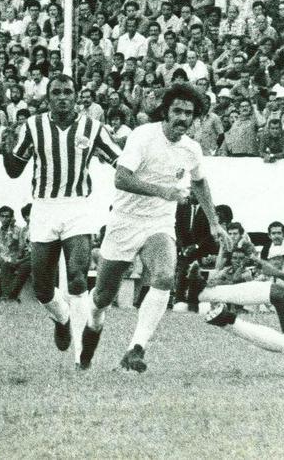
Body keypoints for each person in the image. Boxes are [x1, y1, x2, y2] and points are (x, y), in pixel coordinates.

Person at [80, 82, 223, 373]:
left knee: (164, 276)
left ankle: (135, 349)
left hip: (159, 223)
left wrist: (214, 221)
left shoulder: (191, 149)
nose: (182, 118)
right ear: (166, 111)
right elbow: (121, 178)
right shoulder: (143, 136)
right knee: (102, 297)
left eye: (189, 113)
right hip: (124, 221)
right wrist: (164, 191)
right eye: (177, 111)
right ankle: (92, 328)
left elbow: (198, 182)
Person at [2, 73, 121, 361]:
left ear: (76, 95)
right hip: (44, 206)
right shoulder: (33, 125)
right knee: (43, 286)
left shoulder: (93, 128)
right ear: (48, 97)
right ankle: (62, 318)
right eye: (56, 92)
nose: (63, 97)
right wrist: (6, 144)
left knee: (78, 278)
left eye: (68, 92)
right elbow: (14, 170)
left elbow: (121, 161)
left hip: (78, 206)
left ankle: (82, 356)